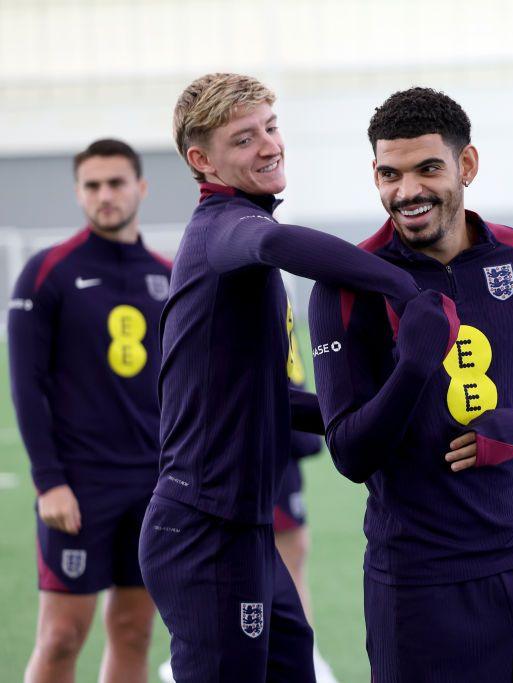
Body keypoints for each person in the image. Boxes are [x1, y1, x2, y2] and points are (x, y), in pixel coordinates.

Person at [138, 72, 436, 682]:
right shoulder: (225, 229)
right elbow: (280, 243)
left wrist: (365, 419)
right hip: (203, 532)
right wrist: (402, 288)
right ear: (203, 160)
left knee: (294, 662)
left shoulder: (242, 244)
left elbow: (266, 399)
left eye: (271, 128)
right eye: (244, 139)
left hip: (243, 528)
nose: (270, 145)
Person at [308, 86, 513, 682]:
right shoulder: (345, 287)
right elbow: (349, 451)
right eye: (390, 174)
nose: (407, 192)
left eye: (428, 169)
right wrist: (414, 364)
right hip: (421, 582)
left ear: (466, 165)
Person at [9, 139, 170, 683]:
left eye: (117, 182)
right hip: (79, 485)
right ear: (78, 193)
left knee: (133, 632)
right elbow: (26, 385)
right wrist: (48, 480)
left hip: (154, 485)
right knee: (60, 638)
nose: (106, 195)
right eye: (93, 185)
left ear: (140, 188)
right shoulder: (46, 272)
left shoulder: (171, 274)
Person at [155, 298, 339, 683]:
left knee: (290, 553)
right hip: (240, 451)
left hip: (275, 443)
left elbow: (289, 361)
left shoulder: (272, 281)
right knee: (250, 559)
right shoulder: (221, 280)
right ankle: (200, 646)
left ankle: (299, 647)